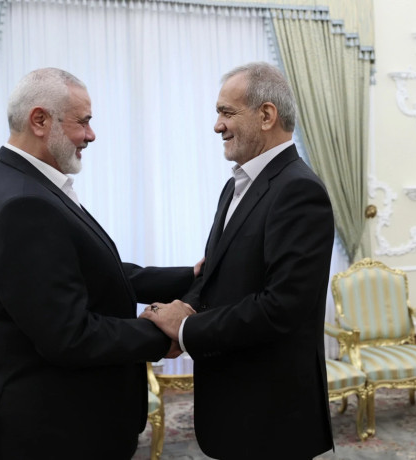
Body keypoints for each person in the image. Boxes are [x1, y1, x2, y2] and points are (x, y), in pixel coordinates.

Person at [0, 68, 198, 460]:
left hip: (51, 416)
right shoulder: (24, 203)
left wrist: (188, 276)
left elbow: (93, 274)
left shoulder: (11, 177)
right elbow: (69, 335)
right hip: (48, 429)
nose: (91, 134)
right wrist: (168, 332)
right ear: (40, 120)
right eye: (83, 121)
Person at [141, 62, 335, 459]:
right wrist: (186, 307)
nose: (217, 126)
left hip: (271, 412)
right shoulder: (235, 186)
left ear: (266, 115)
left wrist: (188, 329)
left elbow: (283, 307)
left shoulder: (300, 190)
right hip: (232, 399)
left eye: (227, 113)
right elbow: (213, 271)